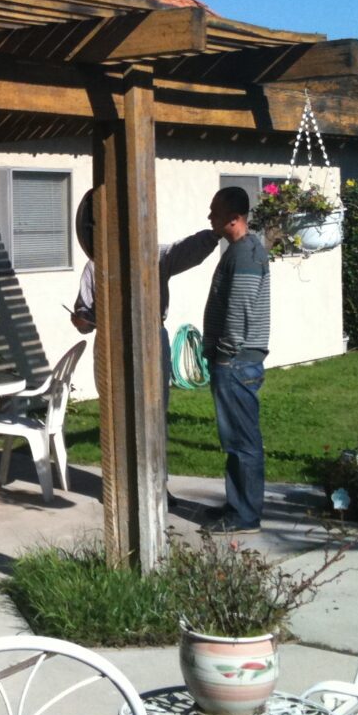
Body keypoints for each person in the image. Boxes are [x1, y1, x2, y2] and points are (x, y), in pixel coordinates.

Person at [68, 190, 220, 386]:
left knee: (154, 407)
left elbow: (187, 249)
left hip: (152, 340)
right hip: (109, 344)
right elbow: (86, 316)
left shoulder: (155, 256)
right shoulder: (93, 266)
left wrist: (214, 235)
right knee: (112, 404)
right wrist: (81, 321)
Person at [201, 186, 271, 534]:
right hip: (237, 361)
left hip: (237, 363)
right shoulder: (241, 250)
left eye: (214, 211)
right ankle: (237, 506)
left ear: (234, 217)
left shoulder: (245, 254)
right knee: (236, 441)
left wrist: (225, 355)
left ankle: (245, 517)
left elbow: (239, 311)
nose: (209, 216)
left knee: (243, 442)